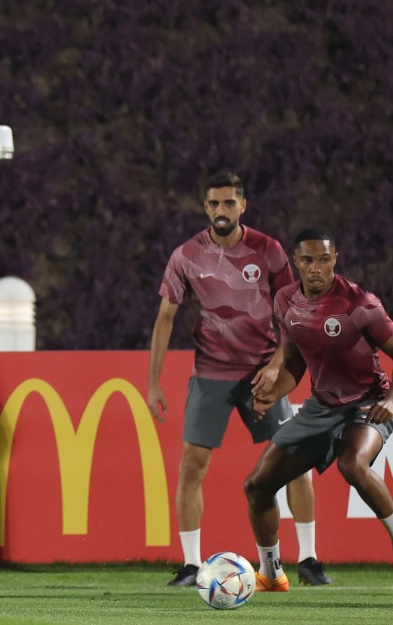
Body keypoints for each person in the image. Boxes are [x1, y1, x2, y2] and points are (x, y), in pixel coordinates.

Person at [146, 171, 327, 588]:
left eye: (229, 203)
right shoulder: (187, 255)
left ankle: (310, 560)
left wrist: (279, 364)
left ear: (242, 206)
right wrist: (153, 382)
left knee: (295, 461)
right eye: (214, 204)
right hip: (210, 373)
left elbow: (292, 312)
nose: (221, 211)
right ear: (204, 207)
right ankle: (192, 566)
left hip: (263, 371)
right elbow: (165, 318)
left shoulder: (268, 250)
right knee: (192, 464)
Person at [246, 229, 393, 591]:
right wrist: (273, 391)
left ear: (334, 259)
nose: (315, 268)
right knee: (257, 485)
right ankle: (271, 572)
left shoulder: (360, 304)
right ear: (296, 262)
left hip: (369, 403)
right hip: (321, 408)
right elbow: (294, 365)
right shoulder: (284, 302)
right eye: (308, 260)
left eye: (323, 260)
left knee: (352, 464)